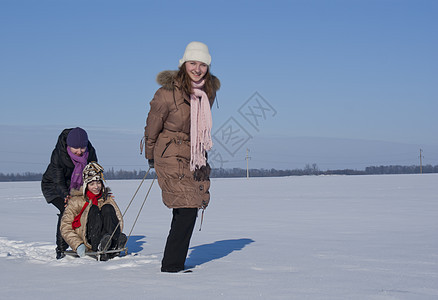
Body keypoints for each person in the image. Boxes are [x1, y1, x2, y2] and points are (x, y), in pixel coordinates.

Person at [143, 41, 220, 272]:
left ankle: (173, 262)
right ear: (184, 64)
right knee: (186, 207)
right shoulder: (166, 93)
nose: (197, 69)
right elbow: (152, 125)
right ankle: (172, 266)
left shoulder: (207, 92)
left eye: (203, 64)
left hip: (194, 155)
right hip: (169, 153)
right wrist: (151, 155)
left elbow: (199, 125)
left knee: (188, 207)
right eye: (193, 63)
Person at [41, 127, 98, 259]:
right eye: (75, 148)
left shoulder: (90, 152)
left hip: (78, 187)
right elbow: (58, 180)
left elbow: (94, 173)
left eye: (82, 148)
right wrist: (66, 196)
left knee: (88, 208)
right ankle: (61, 248)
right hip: (54, 186)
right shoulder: (58, 154)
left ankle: (86, 241)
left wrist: (97, 190)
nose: (79, 152)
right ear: (68, 145)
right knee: (67, 210)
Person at [60, 162, 126, 261]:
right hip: (88, 240)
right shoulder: (77, 201)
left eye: (98, 183)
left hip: (107, 237)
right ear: (86, 185)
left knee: (107, 208)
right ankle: (99, 244)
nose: (96, 187)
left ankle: (114, 243)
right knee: (93, 209)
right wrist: (78, 245)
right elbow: (65, 227)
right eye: (92, 184)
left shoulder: (106, 199)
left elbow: (117, 219)